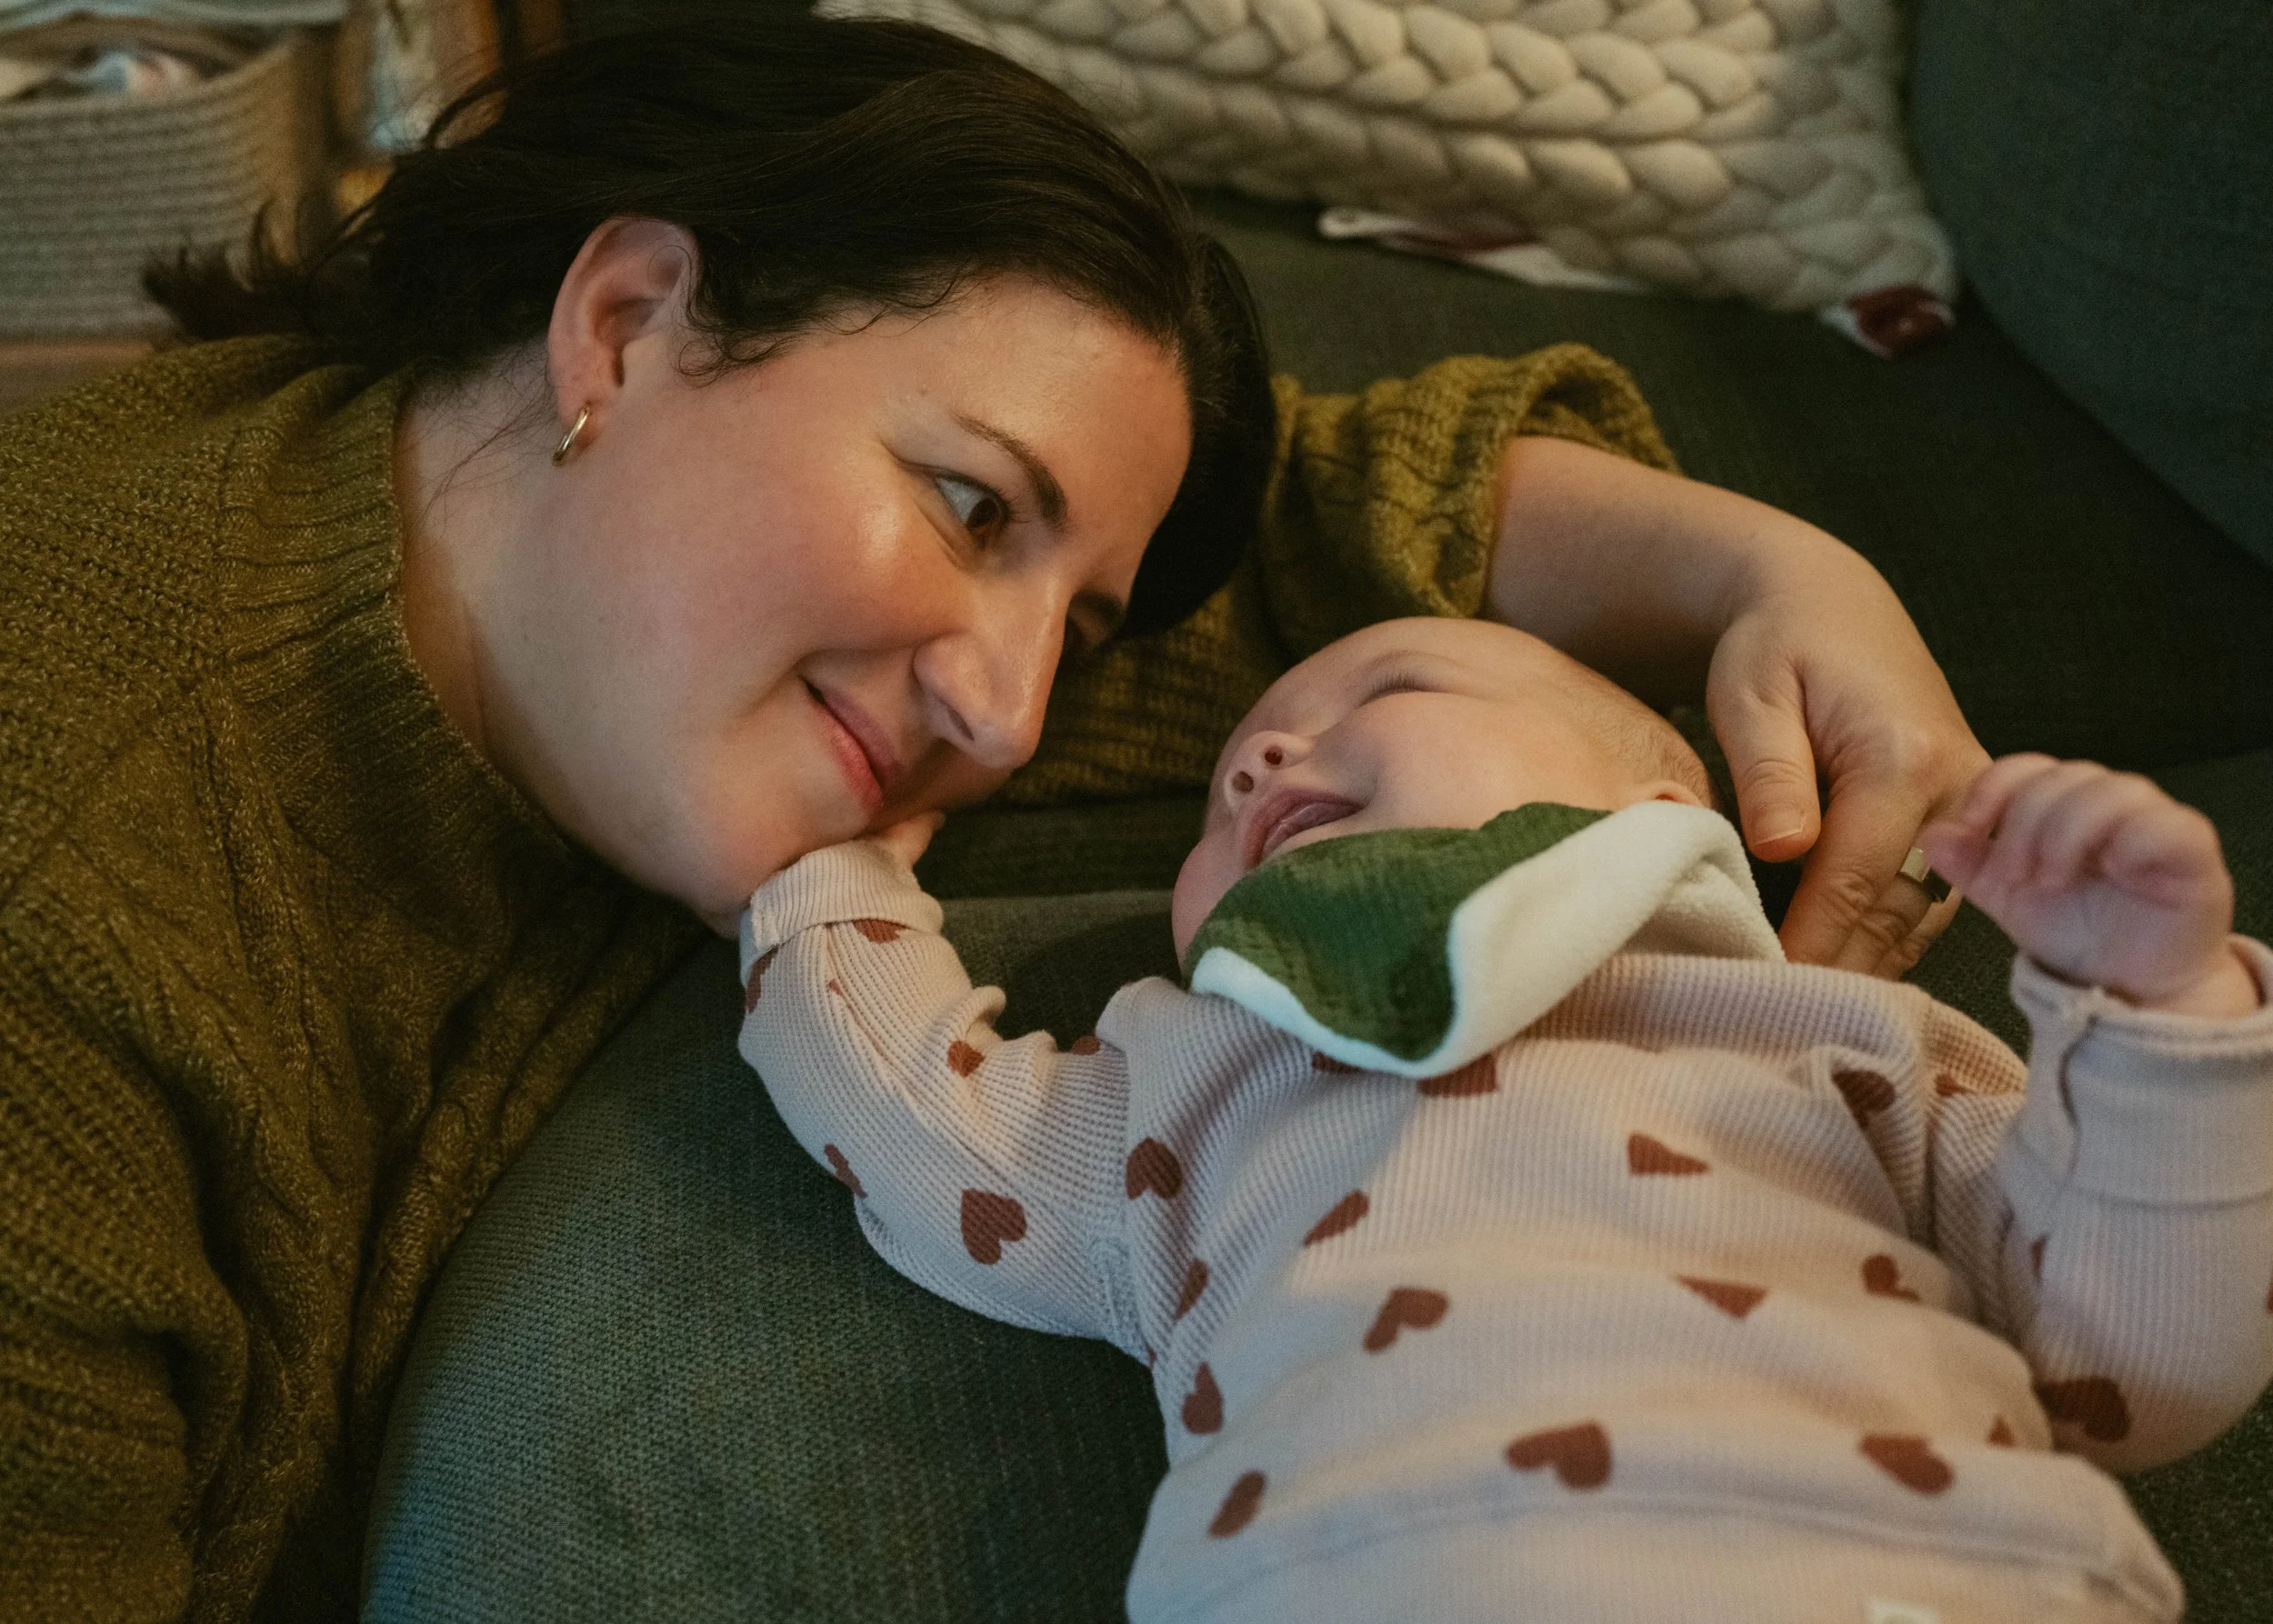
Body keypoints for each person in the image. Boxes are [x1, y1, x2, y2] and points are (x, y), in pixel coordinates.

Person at [0, 11, 1993, 1621]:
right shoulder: (70, 923)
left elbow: (1319, 513)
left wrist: (1783, 579)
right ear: (619, 326)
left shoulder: (603, 563)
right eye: (969, 507)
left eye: (1077, 612)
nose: (1009, 705)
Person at [736, 616, 2272, 1624]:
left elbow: (2129, 1360)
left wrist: (2154, 1019)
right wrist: (825, 880)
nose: (1259, 758)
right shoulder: (1183, 1072)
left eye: (1387, 690)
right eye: (1223, 793)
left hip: (1918, 1575)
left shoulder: (1842, 1033)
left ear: (1668, 808)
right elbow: (922, 1119)